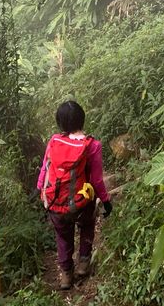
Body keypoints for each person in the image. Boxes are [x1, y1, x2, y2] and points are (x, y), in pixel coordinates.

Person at [37, 100, 112, 290]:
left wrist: (43, 193)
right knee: (87, 226)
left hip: (55, 202)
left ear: (60, 123)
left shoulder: (54, 142)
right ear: (82, 119)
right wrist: (106, 200)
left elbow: (45, 170)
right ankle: (83, 264)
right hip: (81, 203)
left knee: (63, 237)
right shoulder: (92, 145)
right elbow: (96, 180)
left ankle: (66, 275)